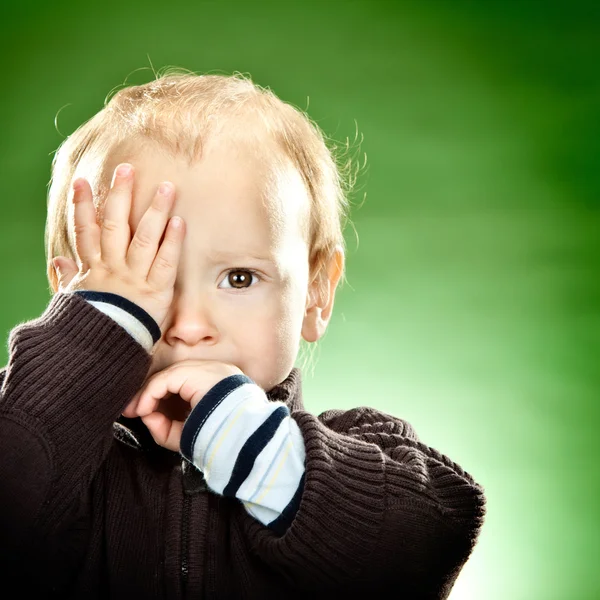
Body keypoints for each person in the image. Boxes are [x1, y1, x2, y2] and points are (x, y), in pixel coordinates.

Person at [0, 70, 486, 599]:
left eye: (239, 278)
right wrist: (95, 338)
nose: (187, 327)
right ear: (74, 298)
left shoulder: (364, 448)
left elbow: (429, 541)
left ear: (315, 293)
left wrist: (261, 451)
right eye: (142, 286)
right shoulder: (41, 449)